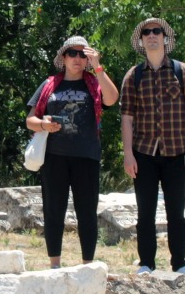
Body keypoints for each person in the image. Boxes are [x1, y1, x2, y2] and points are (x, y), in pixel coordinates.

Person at [118, 17, 185, 276]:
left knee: (176, 213)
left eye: (157, 31)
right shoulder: (134, 76)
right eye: (147, 32)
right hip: (144, 153)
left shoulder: (182, 70)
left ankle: (180, 264)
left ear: (165, 38)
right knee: (145, 213)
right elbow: (127, 118)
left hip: (177, 151)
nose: (152, 35)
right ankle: (146, 264)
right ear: (141, 40)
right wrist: (128, 154)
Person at [25, 36, 117, 267]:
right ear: (63, 57)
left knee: (86, 212)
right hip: (54, 156)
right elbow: (30, 120)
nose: (78, 58)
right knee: (54, 211)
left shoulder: (94, 83)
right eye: (73, 54)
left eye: (82, 54)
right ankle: (54, 264)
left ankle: (88, 265)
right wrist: (44, 124)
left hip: (86, 155)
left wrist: (98, 67)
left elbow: (112, 98)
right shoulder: (49, 85)